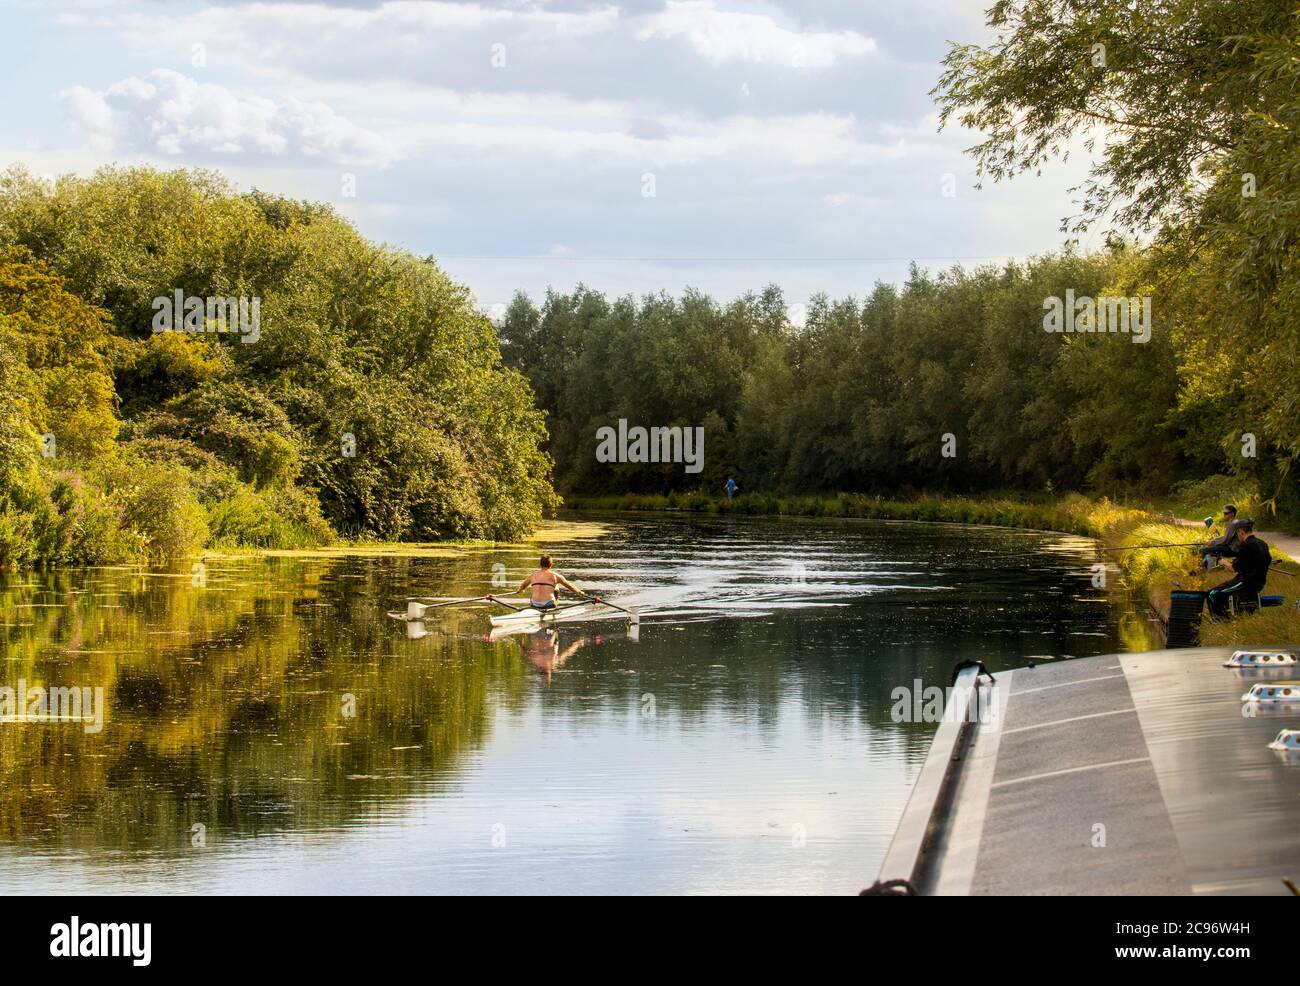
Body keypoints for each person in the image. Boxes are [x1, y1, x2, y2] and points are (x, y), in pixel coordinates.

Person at [1206, 520, 1271, 619]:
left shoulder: (1246, 545)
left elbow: (1233, 568)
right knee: (1222, 591)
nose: (1238, 536)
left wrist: (1221, 561)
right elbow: (1266, 561)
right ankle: (1228, 616)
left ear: (1241, 532)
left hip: (1245, 582)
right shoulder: (1263, 544)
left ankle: (1218, 621)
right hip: (1259, 583)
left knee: (1213, 594)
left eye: (1237, 534)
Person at [516, 554, 588, 611]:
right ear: (551, 565)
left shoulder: (532, 575)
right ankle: (554, 627)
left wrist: (520, 590)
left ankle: (536, 605)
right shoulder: (555, 576)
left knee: (535, 590)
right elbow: (569, 586)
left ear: (540, 564)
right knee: (556, 586)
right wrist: (579, 592)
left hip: (534, 604)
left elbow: (523, 585)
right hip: (548, 604)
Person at [1200, 503, 1247, 568]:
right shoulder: (1235, 522)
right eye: (1224, 513)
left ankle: (1209, 567)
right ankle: (1217, 563)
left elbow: (1225, 541)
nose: (1224, 515)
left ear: (1232, 514)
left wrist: (1212, 543)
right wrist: (1213, 540)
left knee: (1203, 550)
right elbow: (1225, 537)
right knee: (1211, 548)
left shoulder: (1232, 524)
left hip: (1233, 550)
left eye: (1226, 513)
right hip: (1236, 548)